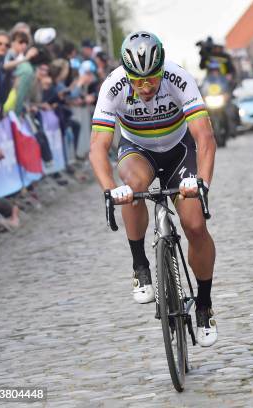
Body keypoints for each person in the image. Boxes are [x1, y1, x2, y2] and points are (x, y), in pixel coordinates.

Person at [89, 31, 218, 347]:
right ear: (127, 74)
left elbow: (205, 137)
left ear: (162, 69)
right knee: (131, 188)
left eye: (152, 80)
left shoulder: (179, 78)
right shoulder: (113, 86)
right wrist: (109, 189)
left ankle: (204, 304)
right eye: (138, 81)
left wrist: (201, 182)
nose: (145, 88)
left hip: (179, 148)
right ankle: (140, 265)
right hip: (138, 150)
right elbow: (97, 147)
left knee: (195, 225)